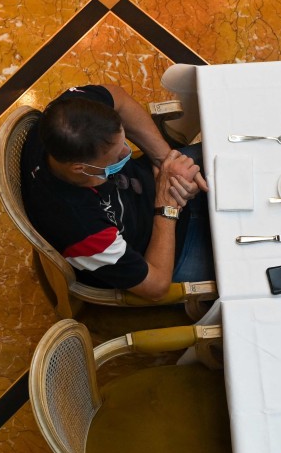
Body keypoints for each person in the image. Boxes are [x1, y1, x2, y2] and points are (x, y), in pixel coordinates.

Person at [21, 84, 212, 303]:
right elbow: (157, 286)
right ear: (80, 168)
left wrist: (165, 161)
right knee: (250, 267)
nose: (126, 152)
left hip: (160, 183)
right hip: (167, 249)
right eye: (115, 156)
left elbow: (118, 98)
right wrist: (167, 205)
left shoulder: (70, 116)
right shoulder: (79, 228)